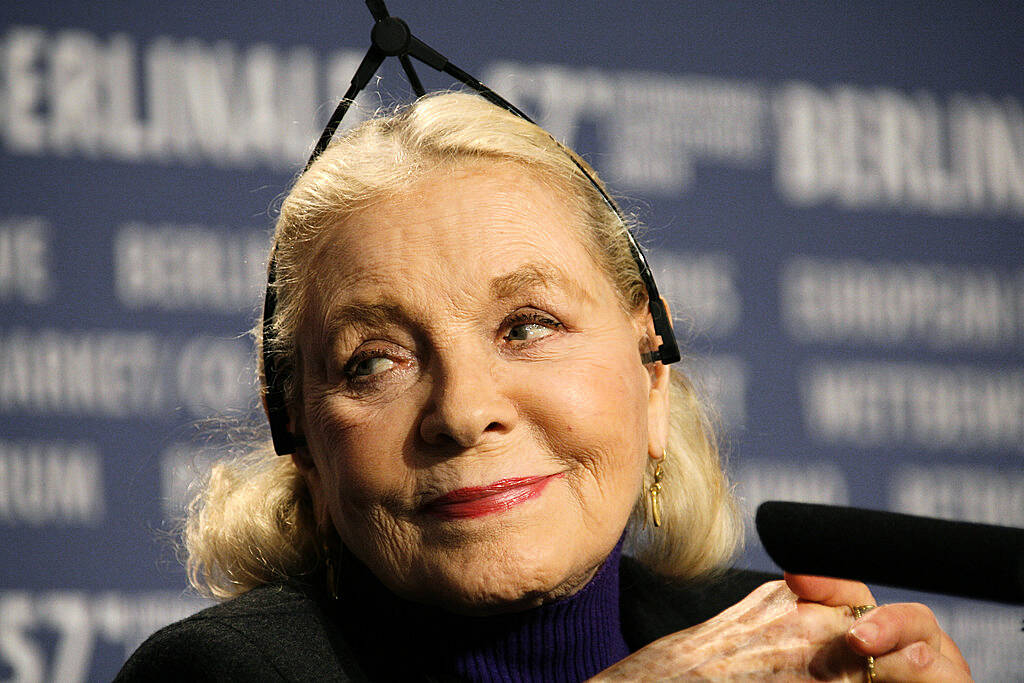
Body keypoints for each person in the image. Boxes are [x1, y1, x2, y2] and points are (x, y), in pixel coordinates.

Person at [116, 92, 971, 681]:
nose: (463, 409)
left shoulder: (766, 643)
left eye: (527, 326)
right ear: (296, 431)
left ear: (651, 370)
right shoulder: (225, 672)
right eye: (374, 360)